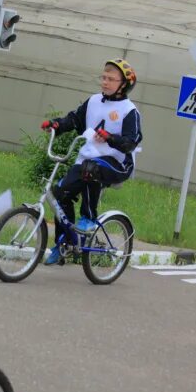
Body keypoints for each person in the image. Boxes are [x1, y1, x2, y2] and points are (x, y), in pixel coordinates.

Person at [40, 58, 142, 266]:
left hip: (118, 163)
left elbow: (131, 142)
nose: (105, 82)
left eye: (111, 79)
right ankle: (66, 244)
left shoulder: (129, 110)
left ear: (124, 84)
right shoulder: (94, 101)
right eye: (103, 77)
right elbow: (74, 120)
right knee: (59, 194)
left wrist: (110, 137)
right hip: (89, 157)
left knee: (90, 168)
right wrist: (56, 125)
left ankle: (88, 217)